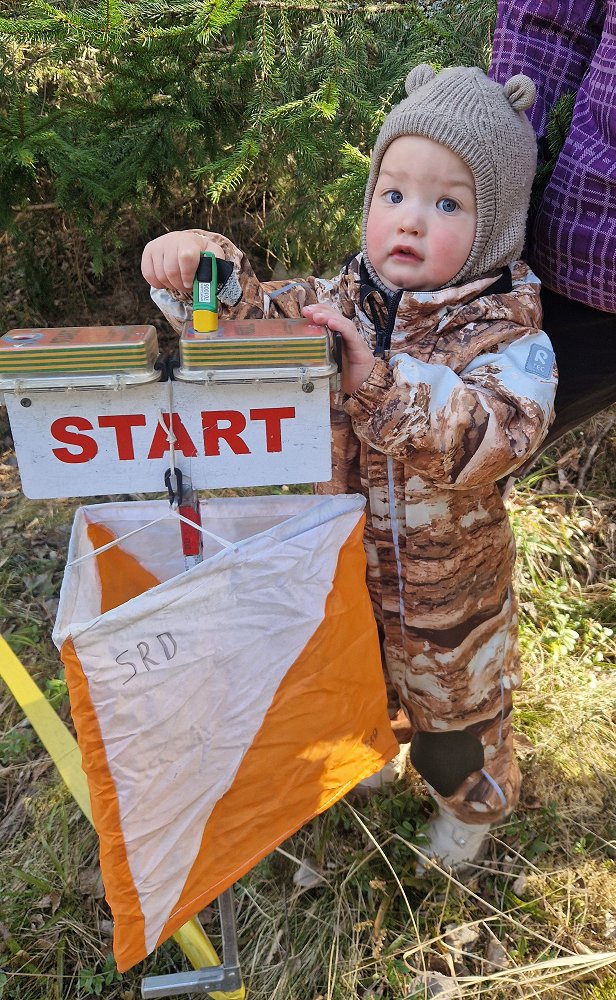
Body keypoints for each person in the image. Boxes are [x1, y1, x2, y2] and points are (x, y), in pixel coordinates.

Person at [141, 64, 557, 869]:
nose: (411, 220)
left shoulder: (508, 335)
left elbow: (495, 435)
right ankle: (371, 749)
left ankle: (470, 811)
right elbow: (256, 325)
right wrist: (204, 270)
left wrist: (380, 383)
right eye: (393, 194)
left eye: (448, 204)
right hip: (345, 582)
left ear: (497, 226)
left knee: (455, 734)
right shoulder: (335, 301)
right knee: (354, 684)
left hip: (451, 613)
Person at [490, 1, 616, 449]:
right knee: (459, 454)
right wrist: (495, 188)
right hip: (595, 246)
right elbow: (545, 26)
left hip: (598, 249)